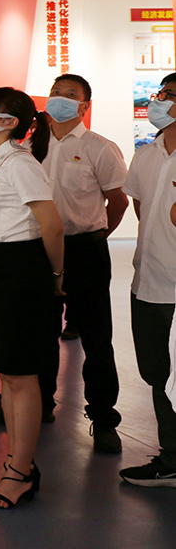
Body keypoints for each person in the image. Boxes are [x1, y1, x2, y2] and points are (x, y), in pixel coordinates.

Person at [0, 87, 63, 509]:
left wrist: (55, 275)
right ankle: (15, 463)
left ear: (10, 122)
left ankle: (21, 473)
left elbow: (51, 225)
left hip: (21, 267)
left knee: (22, 375)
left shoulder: (22, 163)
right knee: (6, 372)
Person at [38, 73, 127, 449]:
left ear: (84, 106)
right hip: (39, 249)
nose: (60, 98)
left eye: (70, 94)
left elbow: (118, 201)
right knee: (40, 332)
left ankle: (103, 418)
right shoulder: (32, 147)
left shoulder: (100, 148)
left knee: (95, 336)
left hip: (85, 249)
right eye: (55, 92)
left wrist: (97, 237)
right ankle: (40, 405)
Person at [118, 74, 176, 488]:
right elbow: (142, 208)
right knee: (158, 374)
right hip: (148, 282)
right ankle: (171, 457)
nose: (159, 101)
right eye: (160, 94)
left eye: (169, 96)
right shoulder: (146, 154)